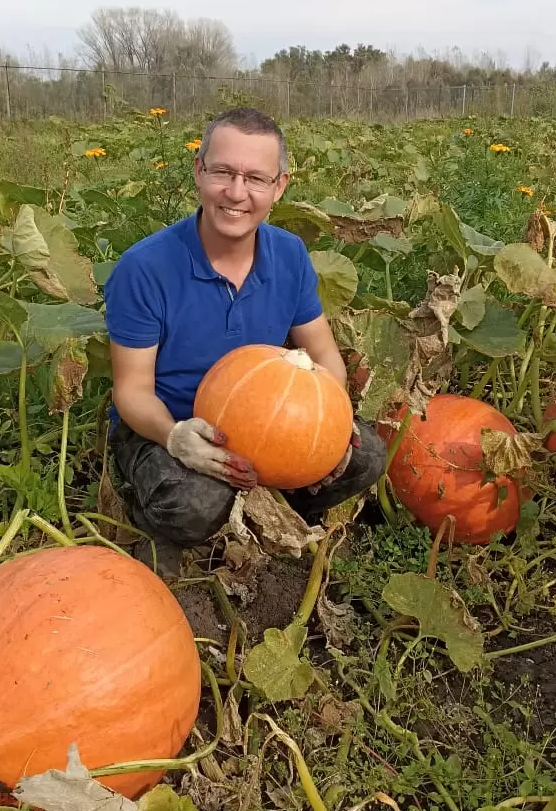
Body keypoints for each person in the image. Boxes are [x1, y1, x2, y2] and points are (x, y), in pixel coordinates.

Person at [104, 107, 386, 575]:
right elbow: (131, 390)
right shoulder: (144, 268)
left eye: (256, 178)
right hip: (171, 425)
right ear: (199, 171)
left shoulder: (290, 254)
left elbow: (323, 357)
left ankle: (280, 507)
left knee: (366, 456)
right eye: (223, 172)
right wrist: (174, 437)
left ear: (280, 186)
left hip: (269, 426)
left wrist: (330, 417)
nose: (237, 193)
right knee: (195, 503)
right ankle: (152, 512)